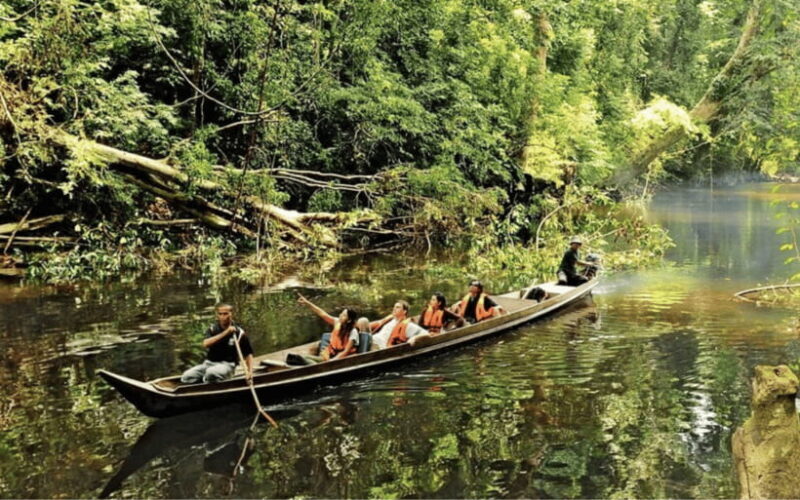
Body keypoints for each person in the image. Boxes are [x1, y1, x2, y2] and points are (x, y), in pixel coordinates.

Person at [181, 303, 254, 384]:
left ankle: (213, 380)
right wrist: (226, 333)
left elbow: (248, 354)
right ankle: (208, 381)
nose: (223, 317)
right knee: (186, 377)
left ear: (231, 314)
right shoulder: (212, 329)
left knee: (211, 373)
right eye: (220, 314)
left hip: (227, 365)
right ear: (217, 315)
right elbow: (205, 344)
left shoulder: (239, 332)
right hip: (209, 363)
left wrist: (249, 372)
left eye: (226, 314)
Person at [297, 294, 360, 361]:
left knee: (303, 358)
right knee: (303, 358)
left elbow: (345, 352)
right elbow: (322, 314)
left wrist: (331, 361)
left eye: (344, 315)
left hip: (341, 360)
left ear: (349, 320)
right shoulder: (337, 322)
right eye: (341, 313)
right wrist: (307, 303)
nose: (340, 316)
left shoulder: (353, 332)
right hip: (330, 355)